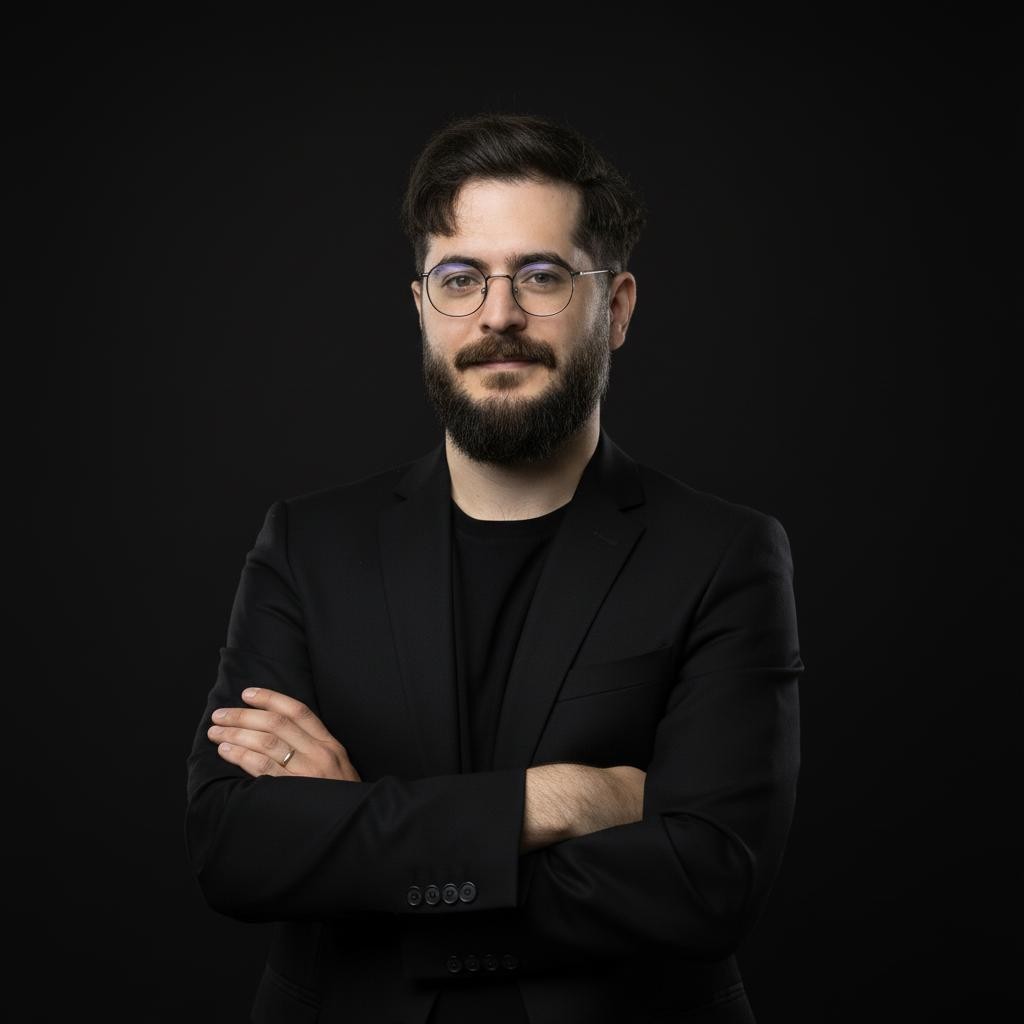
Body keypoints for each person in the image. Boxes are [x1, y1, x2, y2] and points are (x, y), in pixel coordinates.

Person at [184, 111, 803, 1024]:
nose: (498, 314)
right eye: (461, 278)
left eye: (542, 276)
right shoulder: (308, 546)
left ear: (618, 307)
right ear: (422, 305)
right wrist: (558, 800)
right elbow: (236, 846)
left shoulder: (724, 554)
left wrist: (366, 846)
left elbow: (709, 883)